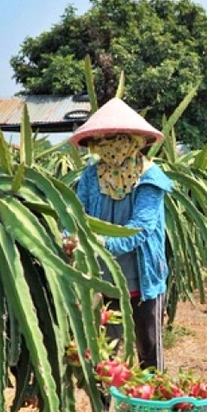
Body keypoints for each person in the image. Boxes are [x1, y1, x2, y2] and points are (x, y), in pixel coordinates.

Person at [70, 97, 173, 372]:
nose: (111, 145)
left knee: (148, 349)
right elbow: (75, 215)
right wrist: (69, 240)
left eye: (117, 138)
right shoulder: (91, 177)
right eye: (103, 139)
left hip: (142, 278)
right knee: (104, 352)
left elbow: (141, 227)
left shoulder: (151, 178)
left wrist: (100, 244)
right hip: (103, 279)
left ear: (134, 140)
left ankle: (153, 410)